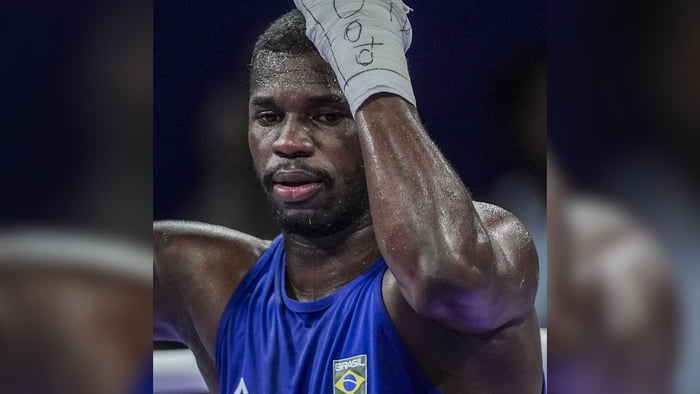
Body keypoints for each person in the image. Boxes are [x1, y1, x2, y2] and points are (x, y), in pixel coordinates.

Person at [155, 3, 543, 393]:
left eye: (327, 115)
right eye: (269, 117)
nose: (288, 142)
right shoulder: (212, 283)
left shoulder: (482, 253)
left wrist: (371, 66)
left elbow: (444, 276)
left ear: (383, 129)